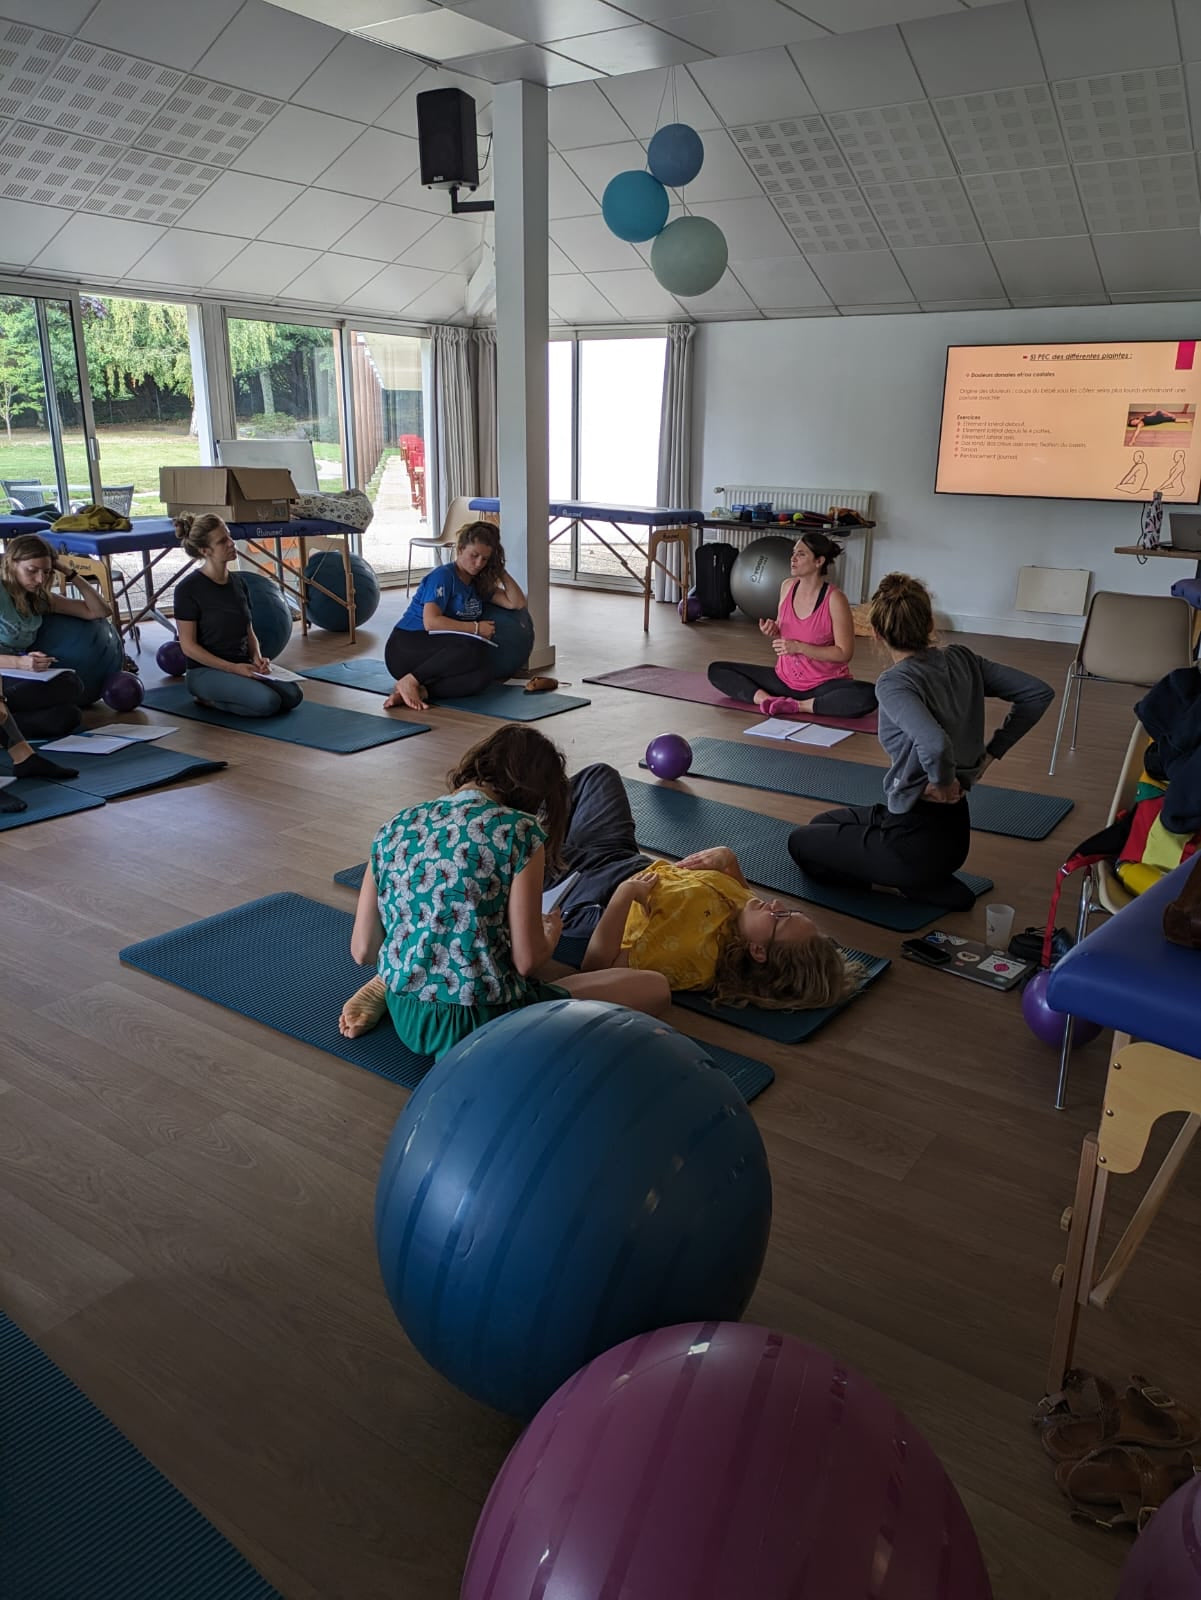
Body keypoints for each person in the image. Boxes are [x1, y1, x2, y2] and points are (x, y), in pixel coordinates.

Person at [338, 727, 669, 1056]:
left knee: (545, 966)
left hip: (409, 1019)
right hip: (486, 1024)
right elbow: (526, 962)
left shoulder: (394, 825)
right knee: (655, 987)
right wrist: (548, 938)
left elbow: (364, 950)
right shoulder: (520, 829)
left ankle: (392, 981)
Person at [786, 573, 1054, 911]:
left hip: (911, 844)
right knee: (822, 824)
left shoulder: (894, 683)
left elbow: (935, 744)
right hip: (952, 835)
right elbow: (1038, 693)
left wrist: (942, 782)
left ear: (878, 635)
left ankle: (899, 882)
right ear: (929, 622)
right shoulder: (962, 658)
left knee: (800, 843)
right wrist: (990, 754)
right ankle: (922, 878)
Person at [548, 762, 857, 1009]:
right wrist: (728, 858)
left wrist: (623, 897)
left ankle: (534, 842)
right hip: (622, 857)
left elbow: (597, 968)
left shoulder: (693, 957)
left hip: (589, 893)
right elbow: (739, 887)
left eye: (781, 918)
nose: (776, 905)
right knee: (599, 776)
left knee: (537, 842)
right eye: (787, 910)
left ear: (758, 952)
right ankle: (543, 832)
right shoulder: (748, 915)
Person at [707, 531, 877, 719]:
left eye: (801, 554)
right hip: (784, 680)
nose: (793, 558)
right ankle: (768, 700)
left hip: (823, 684)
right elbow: (783, 626)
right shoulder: (787, 586)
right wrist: (773, 629)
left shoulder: (835, 599)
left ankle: (799, 706)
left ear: (819, 561)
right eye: (794, 553)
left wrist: (799, 648)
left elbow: (844, 653)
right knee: (717, 670)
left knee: (868, 694)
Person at [383, 520, 526, 712]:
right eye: (474, 556)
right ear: (460, 550)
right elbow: (431, 622)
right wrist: (476, 628)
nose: (478, 564)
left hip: (442, 651)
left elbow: (516, 602)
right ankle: (410, 681)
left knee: (482, 676)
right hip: (406, 646)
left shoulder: (478, 583)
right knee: (471, 646)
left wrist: (500, 570)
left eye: (485, 559)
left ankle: (420, 691)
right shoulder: (442, 576)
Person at [173, 514, 303, 718]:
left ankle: (241, 688)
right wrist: (233, 668)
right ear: (205, 550)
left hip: (242, 665)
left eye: (229, 536)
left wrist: (257, 658)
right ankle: (208, 699)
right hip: (206, 672)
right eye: (222, 541)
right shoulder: (187, 589)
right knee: (268, 702)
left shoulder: (239, 583)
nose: (232, 543)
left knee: (293, 696)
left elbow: (248, 630)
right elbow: (188, 647)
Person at [0, 531, 110, 739]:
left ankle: (5, 725)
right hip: (8, 673)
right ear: (11, 564)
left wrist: (70, 573)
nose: (40, 579)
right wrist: (19, 663)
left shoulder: (37, 599)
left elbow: (99, 611)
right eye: (32, 571)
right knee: (68, 686)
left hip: (12, 679)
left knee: (67, 715)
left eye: (47, 572)